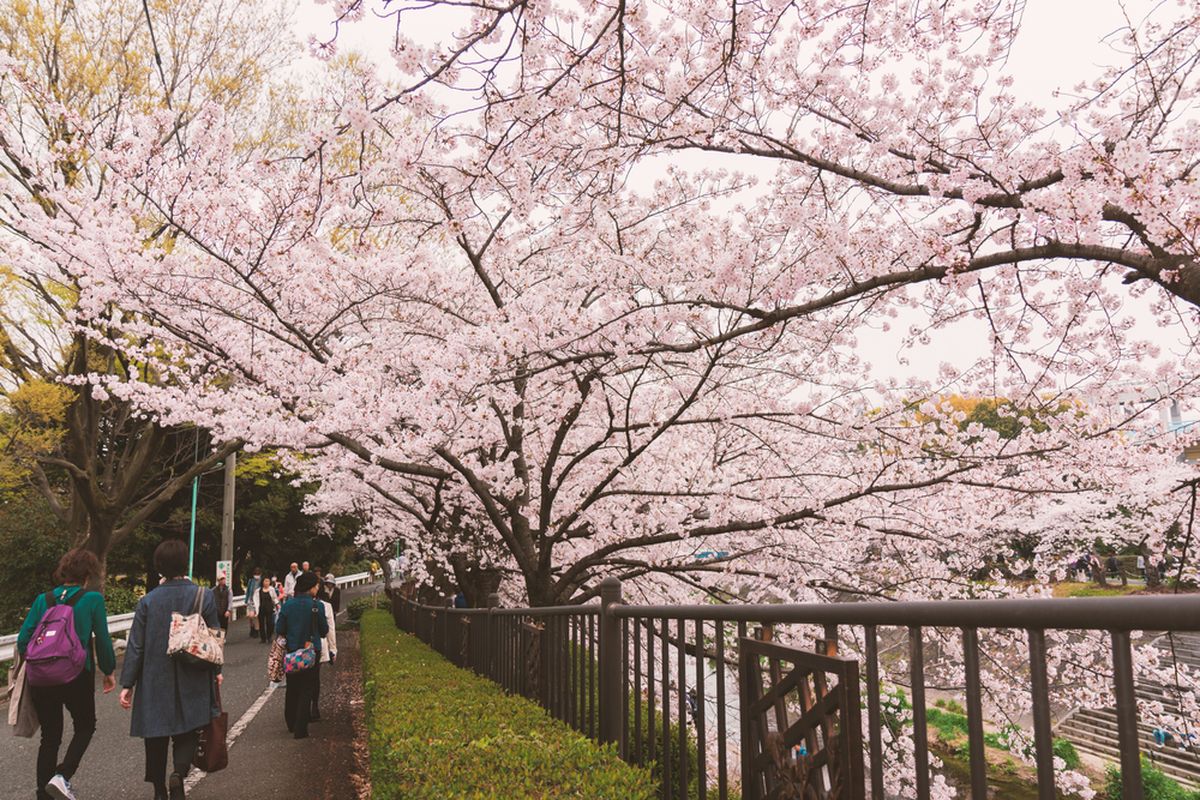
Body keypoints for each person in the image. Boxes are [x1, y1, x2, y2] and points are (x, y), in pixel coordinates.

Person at [120, 540, 222, 800]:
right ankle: (178, 772)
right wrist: (217, 669)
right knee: (189, 728)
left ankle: (158, 790)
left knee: (155, 733)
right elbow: (214, 636)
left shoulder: (148, 601)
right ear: (185, 563)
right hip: (195, 673)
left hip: (155, 676)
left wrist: (127, 684)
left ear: (159, 567)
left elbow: (136, 645)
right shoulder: (203, 595)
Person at [16, 548, 118, 800]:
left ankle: (43, 793)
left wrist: (40, 663)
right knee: (85, 725)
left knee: (50, 737)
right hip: (76, 675)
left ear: (64, 572)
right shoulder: (92, 599)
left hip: (41, 678)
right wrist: (108, 670)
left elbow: (22, 640)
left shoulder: (44, 599)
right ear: (88, 574)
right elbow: (103, 640)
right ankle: (61, 777)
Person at [275, 572, 328, 739]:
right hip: (311, 652)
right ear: (310, 587)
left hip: (292, 652)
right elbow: (324, 631)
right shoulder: (316, 606)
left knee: (292, 687)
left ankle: (290, 723)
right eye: (316, 586)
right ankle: (300, 729)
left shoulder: (288, 605)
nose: (317, 589)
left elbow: (279, 629)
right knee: (307, 689)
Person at [311, 584, 338, 722]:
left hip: (299, 647)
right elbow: (329, 630)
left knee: (303, 679)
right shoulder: (325, 606)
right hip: (319, 646)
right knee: (315, 677)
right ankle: (314, 706)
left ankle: (305, 707)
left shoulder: (295, 604)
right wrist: (333, 649)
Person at [253, 576, 278, 643]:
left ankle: (269, 637)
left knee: (269, 623)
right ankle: (263, 638)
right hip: (261, 608)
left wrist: (277, 604)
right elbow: (255, 600)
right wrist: (255, 609)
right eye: (265, 581)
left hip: (269, 608)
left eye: (268, 581)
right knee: (261, 623)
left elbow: (274, 598)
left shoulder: (272, 589)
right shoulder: (258, 591)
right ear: (263, 582)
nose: (266, 583)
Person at [244, 567, 262, 638]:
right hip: (251, 600)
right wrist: (246, 601)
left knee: (256, 616)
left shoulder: (262, 581)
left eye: (258, 574)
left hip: (258, 601)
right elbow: (248, 591)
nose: (256, 575)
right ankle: (252, 628)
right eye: (255, 574)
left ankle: (257, 630)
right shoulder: (251, 581)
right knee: (251, 616)